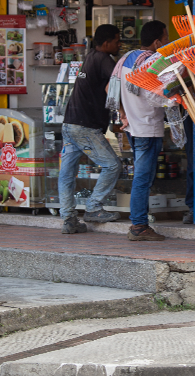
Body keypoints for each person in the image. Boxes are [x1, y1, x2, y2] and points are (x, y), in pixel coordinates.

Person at [58, 24, 123, 234]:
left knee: (67, 173)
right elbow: (116, 86)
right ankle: (94, 207)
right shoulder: (104, 59)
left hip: (70, 123)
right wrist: (123, 113)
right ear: (106, 43)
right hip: (85, 126)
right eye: (116, 41)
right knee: (112, 165)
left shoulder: (90, 57)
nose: (119, 44)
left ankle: (68, 218)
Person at [118, 20, 169, 241]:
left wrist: (122, 111)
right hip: (147, 127)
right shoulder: (152, 62)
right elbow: (155, 96)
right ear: (157, 42)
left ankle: (140, 222)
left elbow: (111, 88)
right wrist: (174, 97)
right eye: (165, 39)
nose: (167, 43)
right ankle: (139, 225)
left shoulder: (126, 59)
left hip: (133, 125)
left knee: (142, 177)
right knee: (143, 178)